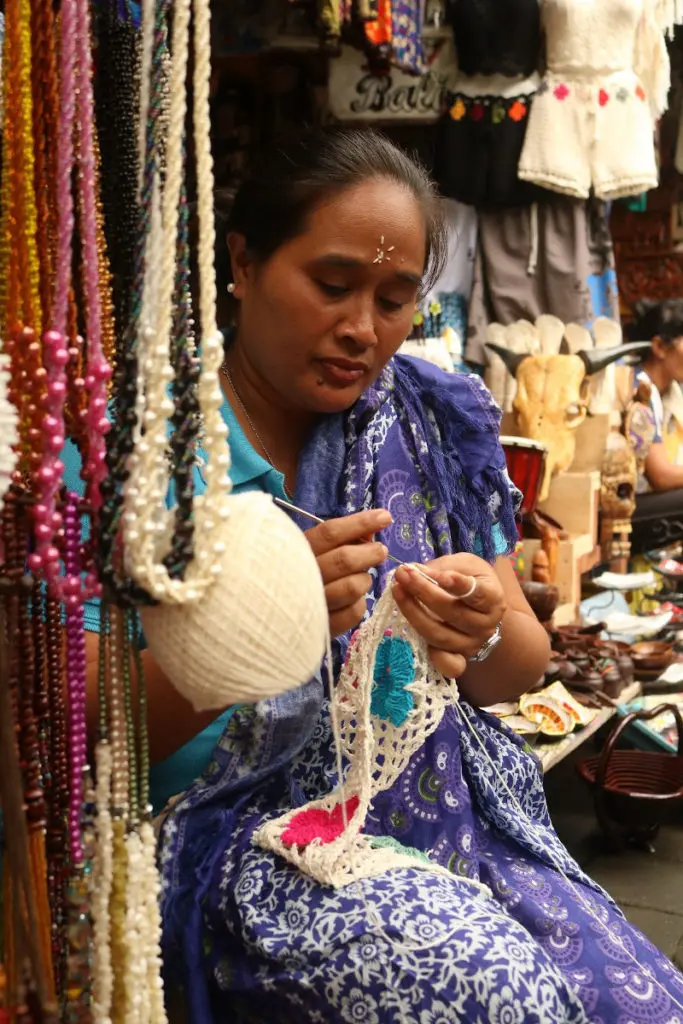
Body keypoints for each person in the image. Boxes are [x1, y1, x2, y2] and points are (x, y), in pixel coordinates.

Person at [69, 129, 683, 1022]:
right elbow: (66, 726)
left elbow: (518, 666)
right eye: (331, 285)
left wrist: (473, 616)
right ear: (241, 262)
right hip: (226, 842)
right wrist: (260, 633)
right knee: (491, 991)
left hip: (433, 812)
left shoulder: (422, 422)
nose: (363, 328)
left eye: (394, 299)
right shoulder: (132, 449)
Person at [626, 300, 683, 553]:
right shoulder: (639, 387)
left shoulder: (671, 391)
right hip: (628, 510)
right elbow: (661, 476)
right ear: (659, 346)